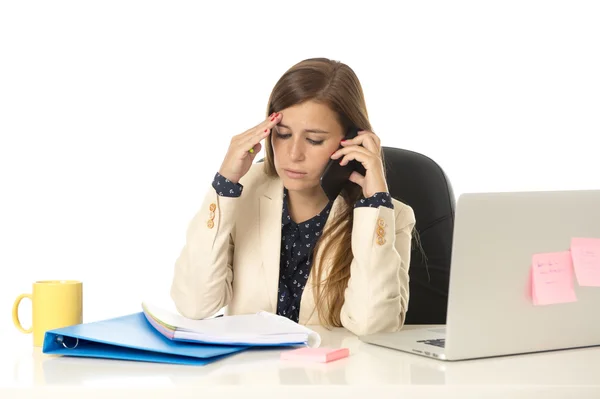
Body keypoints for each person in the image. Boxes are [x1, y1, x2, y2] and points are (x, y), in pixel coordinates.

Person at [170, 57, 416, 336]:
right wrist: (225, 184)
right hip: (250, 374)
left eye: (314, 140)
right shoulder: (239, 195)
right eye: (283, 134)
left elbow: (374, 325)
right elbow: (194, 305)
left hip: (334, 377)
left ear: (351, 140)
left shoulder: (388, 216)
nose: (293, 154)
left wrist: (374, 202)